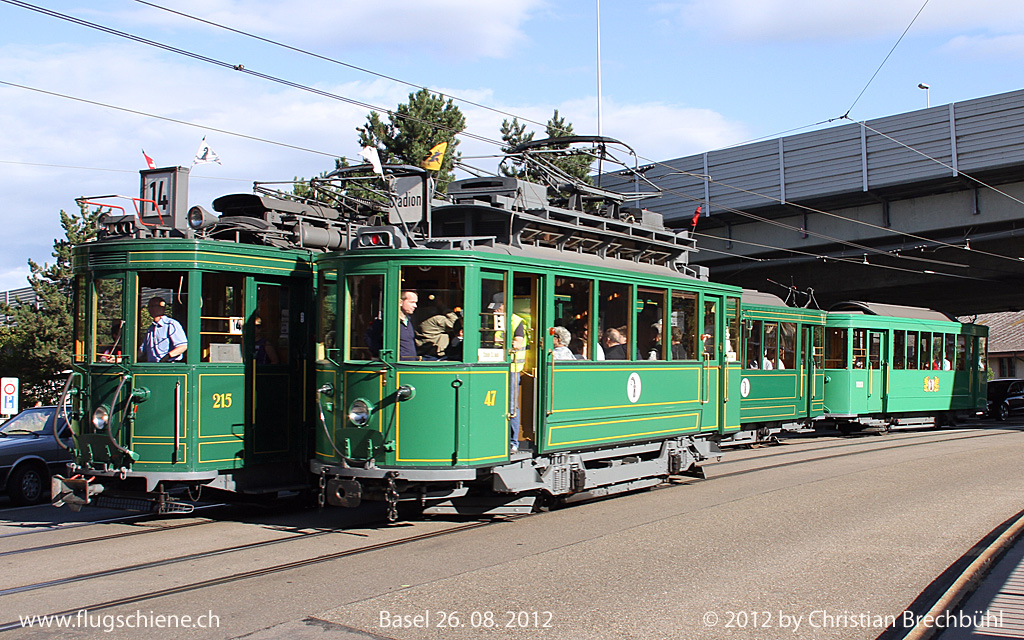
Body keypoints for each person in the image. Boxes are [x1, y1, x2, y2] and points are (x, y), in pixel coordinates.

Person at [491, 292, 527, 453]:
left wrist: (499, 346)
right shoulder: (496, 321)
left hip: (512, 369)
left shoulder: (516, 321)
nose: (495, 311)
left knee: (512, 405)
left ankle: (513, 441)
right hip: (498, 369)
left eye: (497, 308)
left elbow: (517, 344)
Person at [365, 290, 419, 361]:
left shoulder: (409, 321)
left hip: (410, 366)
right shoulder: (386, 322)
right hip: (397, 366)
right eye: (412, 302)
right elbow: (369, 339)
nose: (415, 306)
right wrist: (382, 357)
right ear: (400, 302)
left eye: (416, 303)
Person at [141, 297, 187, 363]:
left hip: (168, 366)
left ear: (163, 308)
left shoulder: (171, 324)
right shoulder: (151, 328)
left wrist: (167, 357)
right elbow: (142, 350)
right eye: (149, 306)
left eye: (153, 306)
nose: (150, 309)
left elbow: (183, 346)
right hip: (153, 366)